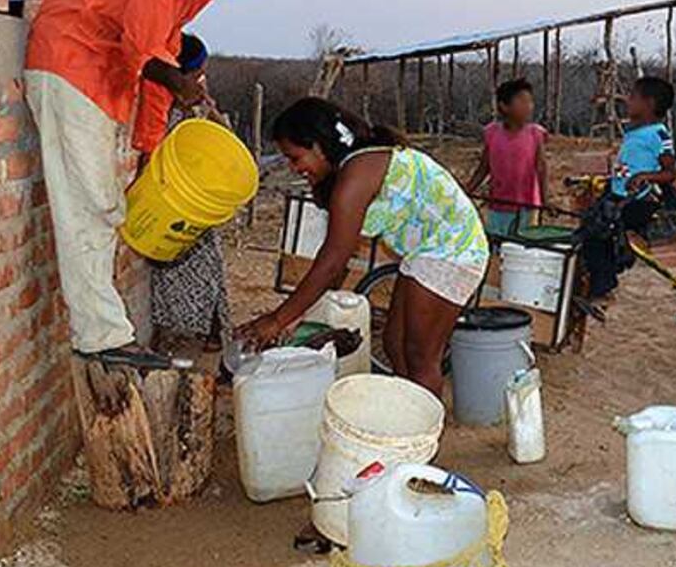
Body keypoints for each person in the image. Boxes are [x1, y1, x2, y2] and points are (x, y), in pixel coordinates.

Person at [24, 0, 280, 368]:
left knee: (102, 206)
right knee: (91, 205)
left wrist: (151, 149)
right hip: (69, 64)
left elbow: (160, 60)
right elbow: (143, 50)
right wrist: (180, 82)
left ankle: (103, 331)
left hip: (97, 81)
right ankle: (100, 337)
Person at [237, 98, 488, 396]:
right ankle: (407, 409)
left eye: (295, 158)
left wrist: (278, 319)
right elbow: (336, 263)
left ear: (318, 145)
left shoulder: (356, 176)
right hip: (426, 252)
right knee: (394, 343)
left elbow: (333, 260)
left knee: (420, 357)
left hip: (454, 251)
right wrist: (297, 314)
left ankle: (423, 422)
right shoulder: (353, 168)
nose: (294, 168)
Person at [147, 34, 233, 354]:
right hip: (176, 201)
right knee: (176, 273)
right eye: (198, 73)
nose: (201, 79)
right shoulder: (163, 107)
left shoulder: (196, 106)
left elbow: (225, 137)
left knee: (209, 269)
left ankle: (211, 332)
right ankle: (181, 333)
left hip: (198, 200)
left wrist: (208, 107)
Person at [582, 76, 676, 299]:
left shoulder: (659, 135)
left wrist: (646, 176)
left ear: (649, 104)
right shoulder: (633, 132)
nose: (627, 100)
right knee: (590, 229)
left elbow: (670, 173)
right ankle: (601, 276)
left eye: (633, 97)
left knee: (598, 234)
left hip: (638, 200)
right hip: (617, 195)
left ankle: (603, 287)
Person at [465, 79, 549, 237]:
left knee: (524, 244)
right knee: (498, 242)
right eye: (522, 101)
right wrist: (467, 191)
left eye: (530, 102)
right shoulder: (492, 133)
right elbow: (484, 167)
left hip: (527, 206)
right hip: (498, 205)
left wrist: (546, 201)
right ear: (504, 106)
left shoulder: (535, 134)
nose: (529, 106)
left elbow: (541, 168)